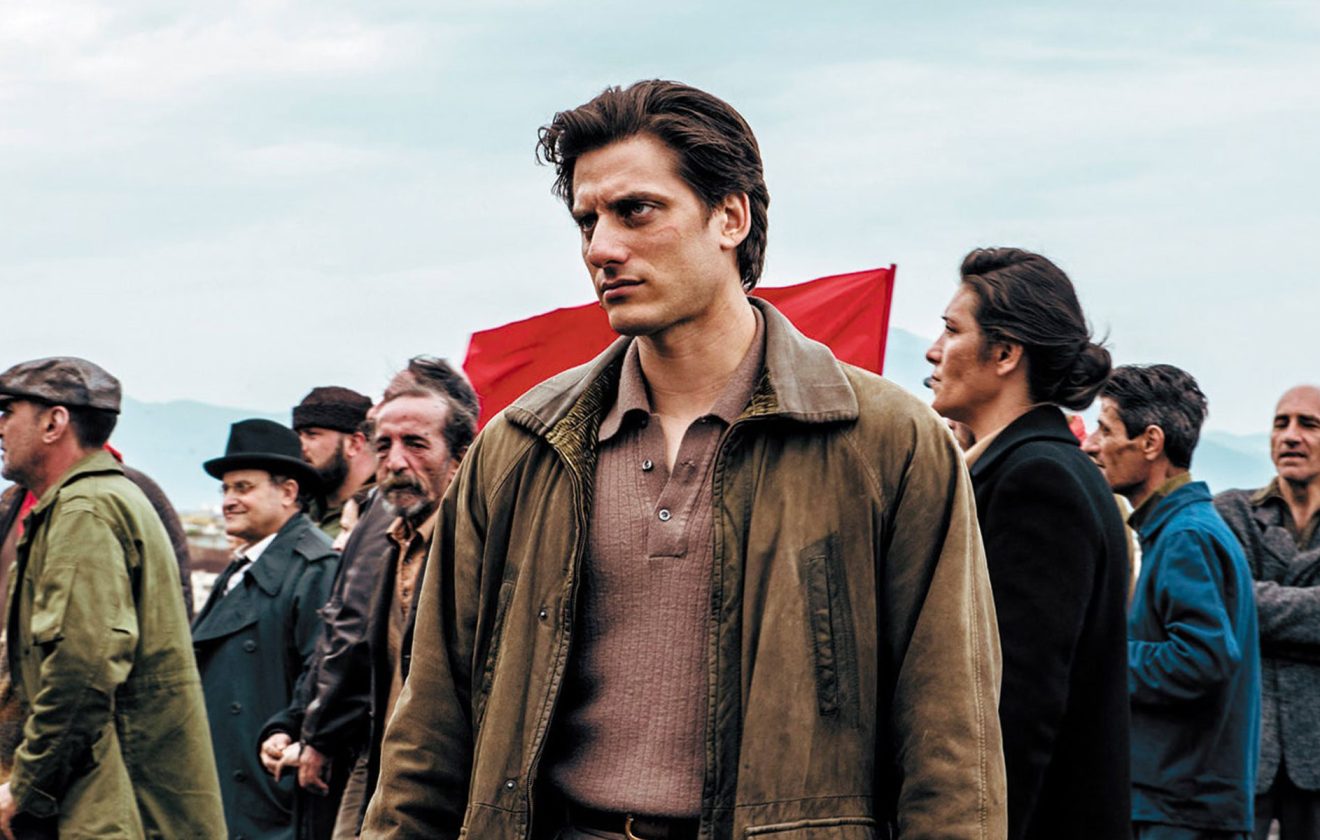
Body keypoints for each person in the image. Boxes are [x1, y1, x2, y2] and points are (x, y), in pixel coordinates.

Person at [361, 80, 1005, 840]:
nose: (601, 248)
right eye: (588, 221)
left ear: (730, 216)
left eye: (636, 210)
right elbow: (428, 729)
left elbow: (950, 742)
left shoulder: (886, 441)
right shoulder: (519, 447)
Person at [925, 247, 1130, 840]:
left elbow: (1017, 705)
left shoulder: (1037, 480)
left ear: (1006, 353)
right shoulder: (1035, 466)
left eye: (951, 330)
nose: (933, 350)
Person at [0, 357, 224, 838]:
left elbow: (82, 670)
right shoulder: (92, 500)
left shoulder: (85, 510)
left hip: (112, 807)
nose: (0, 428)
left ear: (54, 423)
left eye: (7, 411)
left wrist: (26, 785)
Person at [265, 357, 478, 840]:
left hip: (447, 780)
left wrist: (317, 734)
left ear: (460, 455)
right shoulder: (394, 532)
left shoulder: (479, 543)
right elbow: (346, 631)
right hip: (386, 757)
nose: (396, 462)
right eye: (384, 445)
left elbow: (349, 635)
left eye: (415, 443)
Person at [1083, 364, 1259, 839]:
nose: (1092, 445)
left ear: (1150, 442)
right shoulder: (1181, 530)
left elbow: (1203, 659)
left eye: (1106, 430)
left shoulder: (1187, 537)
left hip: (1180, 808)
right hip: (1181, 799)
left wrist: (1102, 656)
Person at [192, 418, 339, 840]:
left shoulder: (315, 567)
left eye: (243, 488)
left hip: (269, 797)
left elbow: (321, 678)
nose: (228, 501)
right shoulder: (247, 564)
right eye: (225, 489)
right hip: (233, 791)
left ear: (288, 492)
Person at [1215, 385, 1320, 840]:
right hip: (1242, 746)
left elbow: (1247, 605)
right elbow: (1226, 604)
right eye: (1281, 423)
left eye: (1308, 424)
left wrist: (1258, 611)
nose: (1291, 435)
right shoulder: (1231, 512)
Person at [293, 387, 377, 540]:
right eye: (298, 436)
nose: (301, 447)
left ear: (354, 444)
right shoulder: (296, 509)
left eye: (311, 435)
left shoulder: (380, 516)